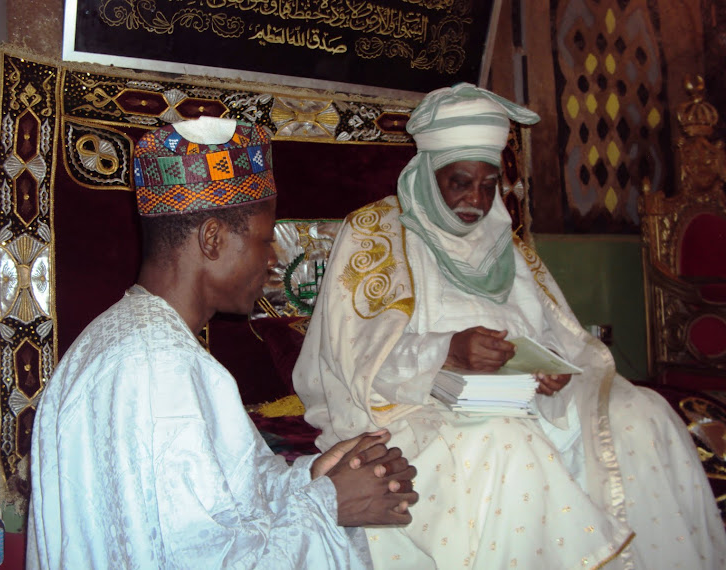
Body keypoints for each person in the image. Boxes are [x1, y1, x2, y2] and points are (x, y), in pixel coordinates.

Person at [293, 83, 726, 569]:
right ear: (426, 174)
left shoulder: (506, 244)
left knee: (640, 411)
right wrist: (447, 351)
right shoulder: (375, 233)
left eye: (488, 183)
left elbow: (554, 336)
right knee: (506, 439)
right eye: (459, 182)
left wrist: (555, 372)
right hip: (414, 412)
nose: (476, 200)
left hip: (523, 402)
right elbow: (353, 358)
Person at [26, 116, 419, 569]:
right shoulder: (158, 369)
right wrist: (330, 505)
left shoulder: (136, 339)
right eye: (265, 240)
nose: (273, 261)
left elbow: (224, 502)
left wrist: (313, 479)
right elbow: (199, 558)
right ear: (212, 239)